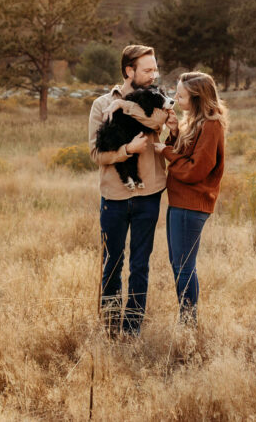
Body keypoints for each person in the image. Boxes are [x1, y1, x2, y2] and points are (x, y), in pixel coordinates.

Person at [88, 44, 177, 337]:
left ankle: (132, 329)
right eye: (148, 69)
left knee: (140, 265)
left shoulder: (156, 101)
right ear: (129, 71)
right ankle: (111, 326)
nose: (155, 74)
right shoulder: (102, 105)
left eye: (156, 68)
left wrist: (171, 128)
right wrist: (127, 149)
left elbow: (158, 123)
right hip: (113, 197)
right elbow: (96, 154)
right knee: (112, 263)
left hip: (149, 195)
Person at [153, 71, 227, 327]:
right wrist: (173, 133)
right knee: (179, 265)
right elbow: (183, 153)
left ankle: (187, 325)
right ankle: (187, 322)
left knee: (184, 267)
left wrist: (167, 153)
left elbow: (196, 169)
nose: (175, 99)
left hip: (191, 203)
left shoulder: (211, 124)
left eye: (181, 95)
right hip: (180, 203)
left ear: (197, 97)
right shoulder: (194, 121)